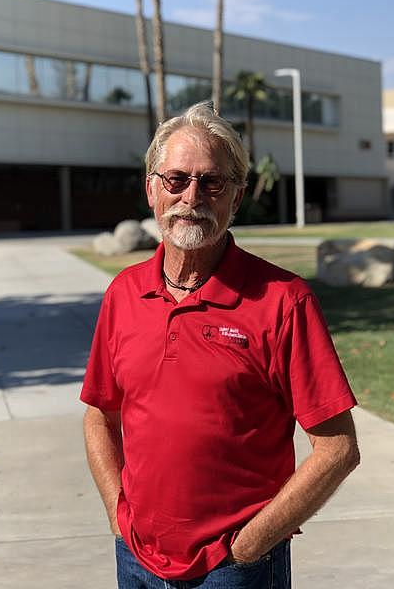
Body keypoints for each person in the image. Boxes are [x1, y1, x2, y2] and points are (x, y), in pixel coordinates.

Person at [81, 101, 359, 588]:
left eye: (212, 182)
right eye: (176, 180)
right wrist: (117, 516)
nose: (193, 196)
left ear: (236, 197)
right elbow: (100, 414)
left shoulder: (282, 301)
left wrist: (250, 545)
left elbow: (337, 448)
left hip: (234, 572)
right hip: (137, 560)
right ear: (152, 189)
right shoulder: (123, 293)